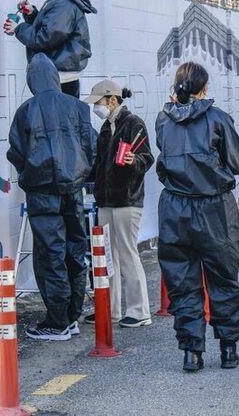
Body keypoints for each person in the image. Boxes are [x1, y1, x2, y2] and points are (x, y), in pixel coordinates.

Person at [155, 62, 239, 372]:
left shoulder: (163, 120)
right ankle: (228, 349)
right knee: (223, 278)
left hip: (174, 208)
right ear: (205, 88)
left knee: (182, 282)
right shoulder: (218, 118)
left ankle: (191, 352)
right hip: (214, 207)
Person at [7, 54, 96, 340]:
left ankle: (57, 321)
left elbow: (16, 152)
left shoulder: (26, 111)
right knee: (75, 251)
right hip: (73, 189)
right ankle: (71, 316)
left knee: (50, 255)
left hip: (42, 191)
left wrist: (28, 175)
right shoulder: (78, 107)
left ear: (32, 79)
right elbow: (91, 145)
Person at [83, 80, 154, 328]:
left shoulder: (133, 123)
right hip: (106, 199)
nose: (97, 108)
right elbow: (99, 164)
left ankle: (139, 310)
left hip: (127, 199)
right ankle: (109, 308)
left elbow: (147, 158)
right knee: (106, 257)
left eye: (99, 103)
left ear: (112, 100)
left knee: (126, 252)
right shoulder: (106, 128)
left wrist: (134, 160)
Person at [2, 0, 95, 97]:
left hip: (59, 77)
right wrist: (32, 14)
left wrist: (18, 28)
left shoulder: (63, 5)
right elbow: (53, 30)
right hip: (60, 74)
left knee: (56, 117)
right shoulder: (62, 2)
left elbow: (45, 38)